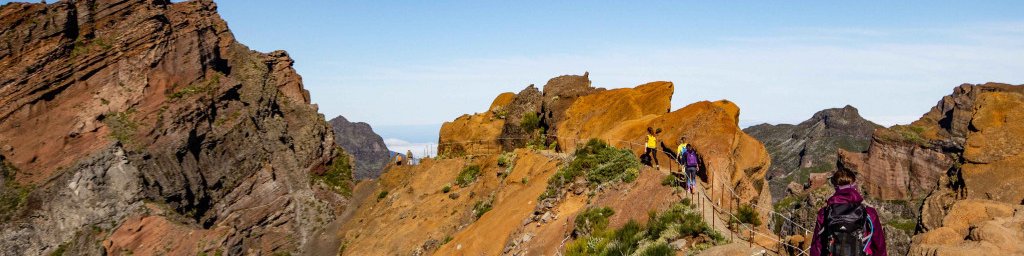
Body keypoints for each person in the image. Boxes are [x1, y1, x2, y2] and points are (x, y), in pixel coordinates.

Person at [810, 168, 886, 256]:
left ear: (835, 187)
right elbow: (879, 245)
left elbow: (817, 247)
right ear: (855, 185)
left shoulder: (824, 212)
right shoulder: (868, 212)